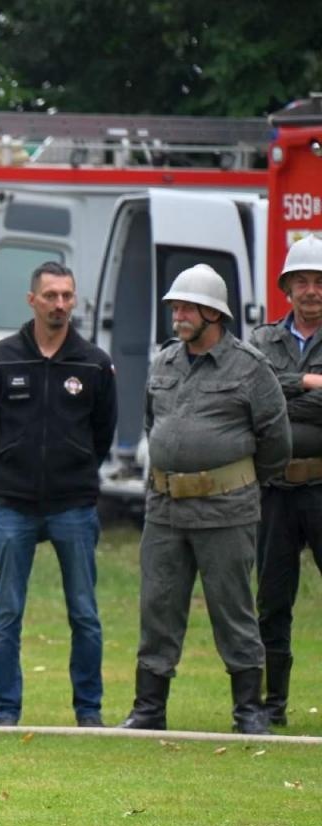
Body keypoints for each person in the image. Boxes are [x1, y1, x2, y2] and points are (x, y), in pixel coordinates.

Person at [120, 264, 290, 734]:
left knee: (232, 607)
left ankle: (249, 710)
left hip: (226, 509)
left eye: (187, 308)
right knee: (158, 606)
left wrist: (237, 481)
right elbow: (152, 422)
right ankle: (148, 709)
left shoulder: (250, 368)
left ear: (214, 314)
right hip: (165, 509)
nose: (178, 316)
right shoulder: (164, 362)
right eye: (175, 307)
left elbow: (276, 441)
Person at [0, 262, 117, 727]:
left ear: (75, 301)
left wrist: (75, 468)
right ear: (32, 299)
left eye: (67, 296)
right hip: (13, 504)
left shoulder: (94, 363)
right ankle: (6, 710)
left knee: (85, 613)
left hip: (73, 505)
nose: (59, 304)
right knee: (7, 613)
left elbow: (103, 433)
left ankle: (89, 712)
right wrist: (8, 467)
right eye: (50, 295)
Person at [249, 236, 322, 729]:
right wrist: (311, 384)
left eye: (319, 282)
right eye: (303, 282)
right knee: (272, 601)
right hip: (274, 490)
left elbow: (272, 399)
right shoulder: (261, 341)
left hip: (321, 488)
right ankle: (272, 703)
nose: (312, 291)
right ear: (286, 288)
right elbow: (256, 398)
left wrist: (281, 392)